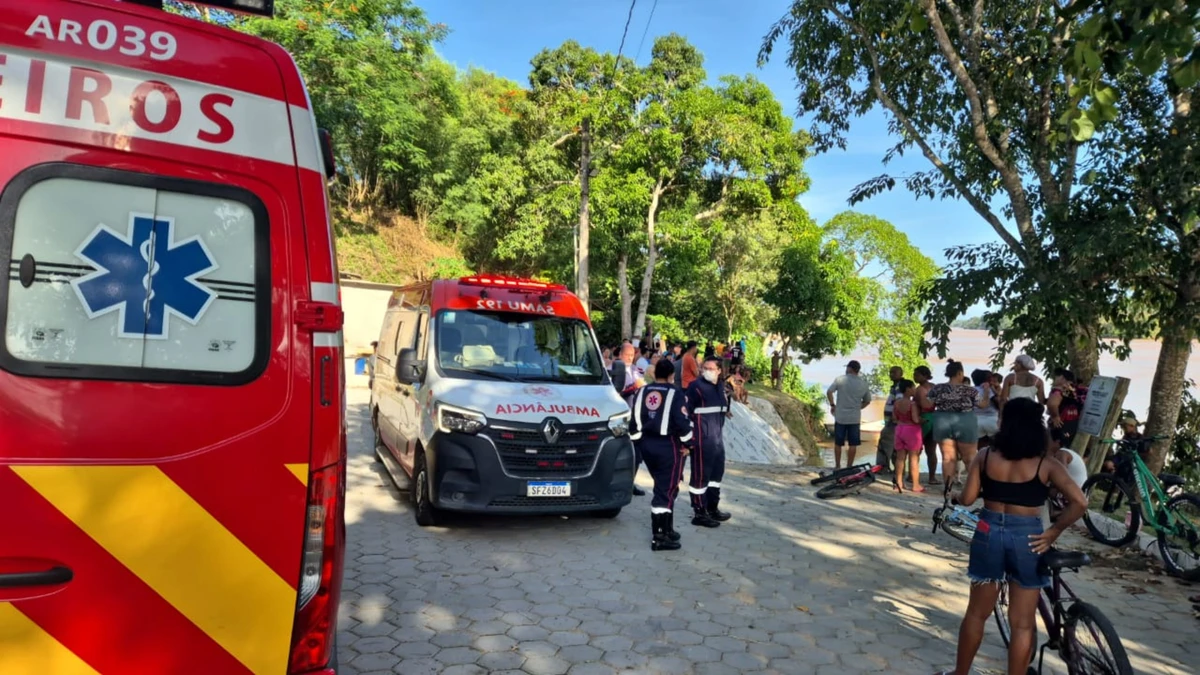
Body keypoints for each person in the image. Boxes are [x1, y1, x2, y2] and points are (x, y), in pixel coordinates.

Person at [936, 398, 1087, 675]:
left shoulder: (985, 456)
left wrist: (956, 496)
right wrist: (1053, 532)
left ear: (1006, 424)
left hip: (988, 532)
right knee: (1022, 623)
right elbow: (1080, 502)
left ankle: (960, 673)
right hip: (1028, 537)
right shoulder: (1047, 464)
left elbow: (968, 499)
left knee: (976, 613)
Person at [629, 359, 694, 551]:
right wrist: (690, 444)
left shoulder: (642, 391)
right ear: (672, 375)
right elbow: (682, 423)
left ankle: (668, 529)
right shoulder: (675, 394)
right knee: (665, 491)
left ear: (655, 373)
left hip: (647, 445)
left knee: (665, 486)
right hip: (668, 446)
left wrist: (639, 442)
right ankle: (659, 537)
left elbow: (634, 421)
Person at [685, 357, 731, 527]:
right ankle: (699, 513)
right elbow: (686, 414)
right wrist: (689, 440)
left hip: (717, 441)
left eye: (711, 368)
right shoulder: (695, 387)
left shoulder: (721, 387)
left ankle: (712, 508)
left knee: (716, 476)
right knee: (700, 478)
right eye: (705, 367)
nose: (707, 371)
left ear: (719, 371)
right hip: (701, 441)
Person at [929, 360, 989, 487]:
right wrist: (987, 392)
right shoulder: (970, 390)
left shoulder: (937, 388)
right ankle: (974, 488)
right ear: (959, 373)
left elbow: (928, 404)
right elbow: (983, 405)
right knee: (969, 458)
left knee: (947, 458)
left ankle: (948, 489)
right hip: (965, 421)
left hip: (942, 421)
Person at [610, 344, 646, 496]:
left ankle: (631, 482)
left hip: (635, 415)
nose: (630, 358)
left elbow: (641, 385)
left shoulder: (634, 370)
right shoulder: (615, 370)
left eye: (632, 355)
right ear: (620, 355)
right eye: (627, 355)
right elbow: (615, 393)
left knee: (637, 452)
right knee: (621, 450)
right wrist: (633, 387)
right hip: (621, 416)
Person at [826, 360, 873, 469]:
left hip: (840, 417)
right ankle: (849, 466)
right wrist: (858, 408)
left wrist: (833, 405)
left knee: (838, 443)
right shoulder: (863, 383)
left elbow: (829, 392)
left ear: (850, 368)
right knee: (853, 444)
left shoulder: (840, 379)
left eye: (847, 367)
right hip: (854, 418)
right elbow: (867, 401)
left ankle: (837, 466)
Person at [892, 379, 925, 493]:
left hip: (899, 429)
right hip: (911, 430)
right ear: (908, 389)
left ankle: (899, 483)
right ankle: (915, 485)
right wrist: (923, 421)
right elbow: (915, 419)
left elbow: (894, 418)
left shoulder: (897, 402)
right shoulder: (912, 404)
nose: (914, 389)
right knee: (913, 458)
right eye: (913, 387)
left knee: (900, 458)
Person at [1047, 368, 1085, 448]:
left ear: (1062, 378)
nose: (1055, 379)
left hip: (1060, 423)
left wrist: (1055, 416)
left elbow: (1052, 404)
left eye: (1056, 377)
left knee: (1053, 447)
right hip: (1073, 423)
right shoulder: (1076, 390)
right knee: (1066, 447)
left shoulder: (1058, 390)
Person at [914, 365, 940, 484]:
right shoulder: (934, 387)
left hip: (923, 418)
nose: (915, 376)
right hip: (935, 418)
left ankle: (912, 476)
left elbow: (924, 405)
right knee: (931, 450)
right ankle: (932, 477)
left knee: (916, 449)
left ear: (925, 376)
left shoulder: (919, 389)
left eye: (917, 374)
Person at [878, 366, 905, 475]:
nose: (891, 374)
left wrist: (895, 417)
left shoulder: (899, 387)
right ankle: (897, 469)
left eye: (894, 372)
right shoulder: (895, 386)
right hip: (892, 421)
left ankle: (882, 467)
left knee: (884, 443)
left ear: (901, 374)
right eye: (890, 372)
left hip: (893, 422)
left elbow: (899, 402)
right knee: (894, 446)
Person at [972, 369, 1000, 452]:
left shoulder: (971, 391)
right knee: (997, 451)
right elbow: (998, 404)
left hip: (976, 422)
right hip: (992, 421)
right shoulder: (989, 389)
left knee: (982, 451)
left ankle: (984, 463)